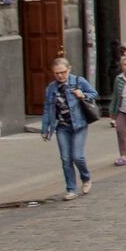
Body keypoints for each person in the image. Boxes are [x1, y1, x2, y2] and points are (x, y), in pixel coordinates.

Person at [40, 57, 99, 201]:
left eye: (63, 72)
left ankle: (86, 178)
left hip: (79, 124)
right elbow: (48, 109)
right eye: (57, 73)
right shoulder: (51, 88)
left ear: (69, 69)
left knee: (77, 156)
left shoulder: (78, 81)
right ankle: (71, 189)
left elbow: (94, 94)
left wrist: (82, 94)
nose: (60, 76)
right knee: (66, 159)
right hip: (62, 127)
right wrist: (45, 128)